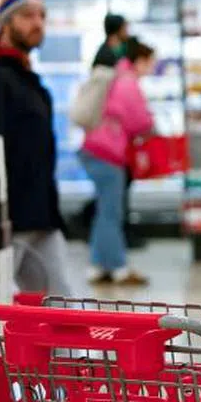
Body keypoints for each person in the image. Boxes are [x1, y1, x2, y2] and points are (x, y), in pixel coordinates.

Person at [0, 0, 77, 296]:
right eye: (28, 16)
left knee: (61, 301)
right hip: (9, 218)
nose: (38, 23)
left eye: (42, 16)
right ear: (5, 23)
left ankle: (62, 347)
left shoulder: (25, 76)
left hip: (41, 214)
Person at [79, 37, 156, 285]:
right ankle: (118, 267)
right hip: (108, 153)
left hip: (95, 148)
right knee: (111, 212)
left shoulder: (116, 77)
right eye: (150, 62)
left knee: (105, 210)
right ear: (140, 60)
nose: (152, 68)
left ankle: (98, 265)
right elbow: (140, 122)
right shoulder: (128, 83)